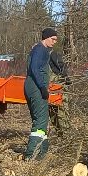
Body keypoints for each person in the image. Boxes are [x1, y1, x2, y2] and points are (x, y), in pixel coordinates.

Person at [24, 27, 58, 159]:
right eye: (53, 39)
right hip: (36, 87)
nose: (54, 42)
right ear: (47, 37)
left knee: (40, 120)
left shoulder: (40, 50)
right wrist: (42, 87)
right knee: (40, 121)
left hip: (32, 86)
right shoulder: (40, 50)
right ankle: (31, 154)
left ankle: (42, 152)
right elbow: (34, 68)